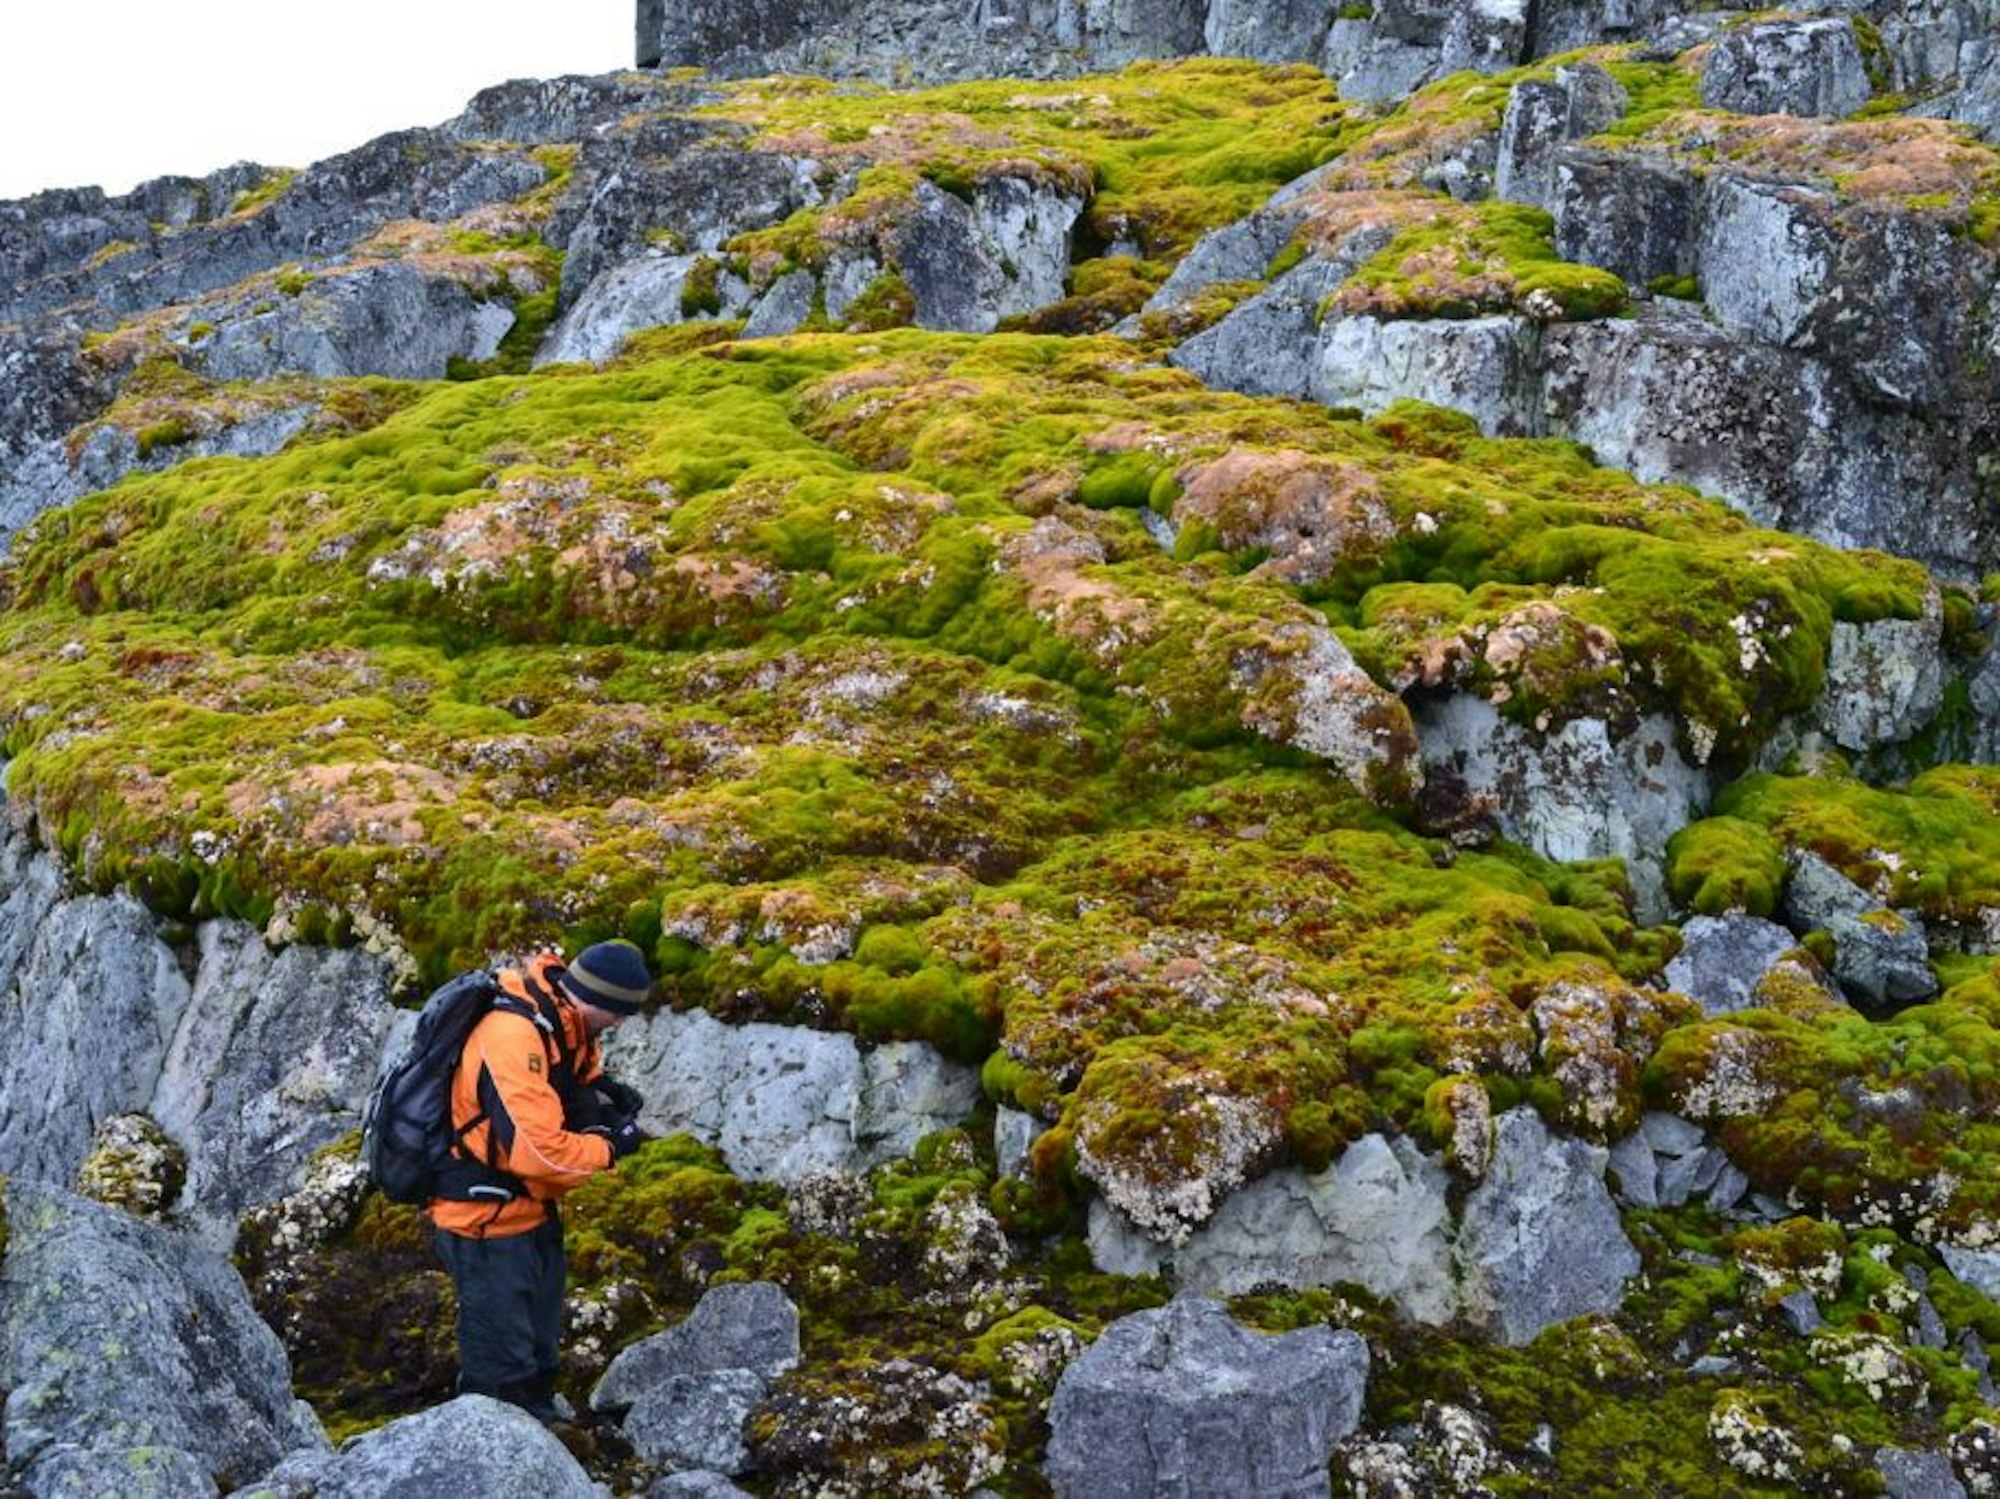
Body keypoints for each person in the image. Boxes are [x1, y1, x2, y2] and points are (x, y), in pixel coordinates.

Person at [428, 939, 653, 1423]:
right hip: (483, 1217)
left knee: (538, 1351)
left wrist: (600, 1101)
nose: (620, 1025)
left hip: (528, 1208)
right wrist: (609, 1147)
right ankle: (488, 1452)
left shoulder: (564, 1022)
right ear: (602, 1002)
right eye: (620, 1014)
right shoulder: (514, 1035)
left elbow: (573, 1083)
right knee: (500, 1368)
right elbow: (538, 1154)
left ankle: (540, 1433)